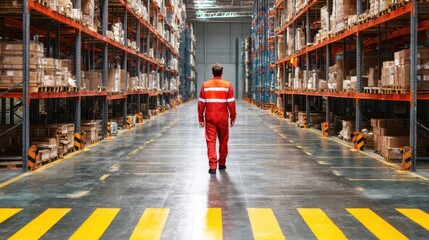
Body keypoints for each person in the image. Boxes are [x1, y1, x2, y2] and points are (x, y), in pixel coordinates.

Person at [198, 63, 237, 174]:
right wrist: (233, 117)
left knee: (211, 141)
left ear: (212, 73)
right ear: (222, 73)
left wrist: (200, 118)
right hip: (223, 117)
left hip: (210, 117)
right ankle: (222, 164)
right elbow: (231, 104)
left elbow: (201, 103)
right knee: (223, 141)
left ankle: (212, 166)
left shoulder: (205, 85)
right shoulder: (227, 85)